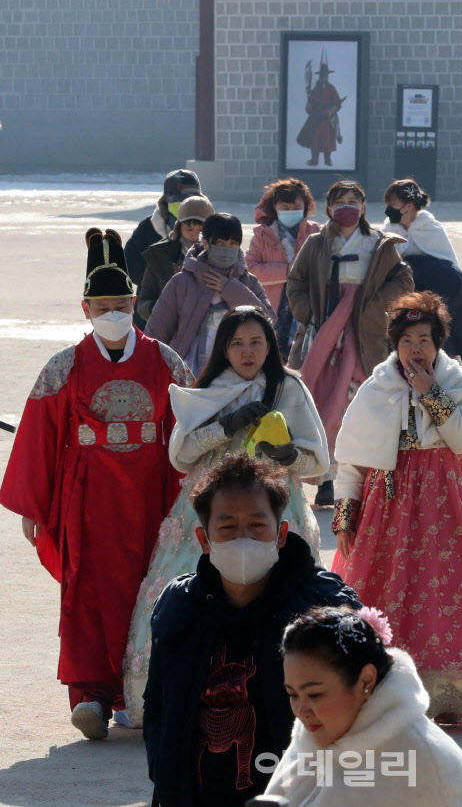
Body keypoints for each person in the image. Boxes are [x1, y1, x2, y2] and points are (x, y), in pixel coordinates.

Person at [0, 228, 193, 741]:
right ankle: (90, 695)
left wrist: (198, 494)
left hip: (153, 495)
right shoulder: (64, 366)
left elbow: (191, 432)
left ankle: (140, 693)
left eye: (121, 302)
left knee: (152, 590)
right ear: (85, 309)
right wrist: (34, 505)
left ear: (135, 303)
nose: (113, 311)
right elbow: (41, 435)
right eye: (102, 304)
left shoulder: (167, 362)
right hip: (87, 499)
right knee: (85, 590)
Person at [331, 291, 462, 723]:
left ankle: (449, 693)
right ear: (394, 345)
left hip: (450, 502)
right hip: (388, 502)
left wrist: (431, 394)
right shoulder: (376, 389)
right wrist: (346, 514)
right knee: (388, 589)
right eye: (406, 340)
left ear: (438, 342)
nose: (415, 348)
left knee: (453, 586)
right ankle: (384, 688)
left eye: (424, 338)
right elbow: (352, 458)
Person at [123, 305, 329, 726]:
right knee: (201, 589)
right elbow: (180, 455)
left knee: (277, 589)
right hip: (209, 509)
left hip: (272, 506)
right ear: (223, 348)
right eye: (237, 343)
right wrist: (225, 424)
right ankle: (191, 689)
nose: (247, 351)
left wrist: (289, 454)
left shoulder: (288, 388)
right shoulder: (209, 389)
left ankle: (277, 687)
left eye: (256, 342)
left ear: (270, 345)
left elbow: (317, 461)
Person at [143, 453, 359, 807]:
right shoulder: (180, 607)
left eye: (258, 525)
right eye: (227, 527)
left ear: (281, 534)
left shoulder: (327, 609)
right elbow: (158, 705)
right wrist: (164, 771)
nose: (243, 538)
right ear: (203, 539)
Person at [265, 606, 462, 806]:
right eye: (292, 694)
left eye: (315, 694)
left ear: (366, 680)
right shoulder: (311, 735)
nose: (301, 712)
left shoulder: (420, 761)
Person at [286, 180, 414, 506]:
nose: (347, 206)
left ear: (364, 207)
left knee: (357, 403)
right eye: (340, 201)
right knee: (321, 402)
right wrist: (309, 312)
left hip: (365, 334)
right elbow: (296, 282)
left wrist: (371, 308)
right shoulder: (316, 244)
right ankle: (325, 477)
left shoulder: (379, 244)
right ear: (329, 208)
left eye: (353, 200)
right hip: (324, 333)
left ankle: (359, 475)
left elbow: (403, 280)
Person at [145, 213, 276, 377]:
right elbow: (158, 329)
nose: (227, 249)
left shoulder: (248, 282)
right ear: (206, 243)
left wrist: (231, 289)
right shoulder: (182, 281)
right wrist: (149, 367)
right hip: (188, 370)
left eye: (233, 244)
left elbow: (269, 321)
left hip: (238, 373)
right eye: (221, 243)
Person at [382, 178, 462, 370]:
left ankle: (439, 395)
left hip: (438, 301)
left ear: (408, 206)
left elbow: (450, 269)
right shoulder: (388, 232)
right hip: (406, 302)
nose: (388, 208)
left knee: (439, 355)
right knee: (406, 357)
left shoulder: (431, 229)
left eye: (392, 204)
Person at [246, 179, 320, 360]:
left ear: (305, 207)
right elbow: (251, 268)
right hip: (272, 307)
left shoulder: (315, 231)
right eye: (284, 207)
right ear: (274, 208)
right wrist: (288, 271)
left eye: (296, 207)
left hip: (305, 305)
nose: (291, 211)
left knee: (302, 357)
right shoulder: (261, 235)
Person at [124, 169, 203, 328]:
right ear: (166, 201)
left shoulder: (210, 227)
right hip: (151, 312)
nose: (183, 208)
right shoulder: (149, 228)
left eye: (189, 202)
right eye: (178, 203)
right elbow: (129, 263)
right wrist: (157, 278)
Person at [137, 195, 215, 323]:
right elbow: (143, 301)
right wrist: (158, 309)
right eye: (189, 229)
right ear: (179, 227)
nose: (195, 235)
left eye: (201, 230)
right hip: (170, 330)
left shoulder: (221, 255)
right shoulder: (160, 254)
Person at [297, 57, 343, 167]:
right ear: (320, 76)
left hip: (328, 117)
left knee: (328, 139)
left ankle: (328, 160)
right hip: (316, 117)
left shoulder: (331, 88)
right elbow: (311, 103)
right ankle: (314, 160)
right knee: (315, 139)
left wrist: (332, 110)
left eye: (326, 75)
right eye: (323, 75)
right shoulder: (316, 89)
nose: (324, 77)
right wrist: (309, 105)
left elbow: (337, 103)